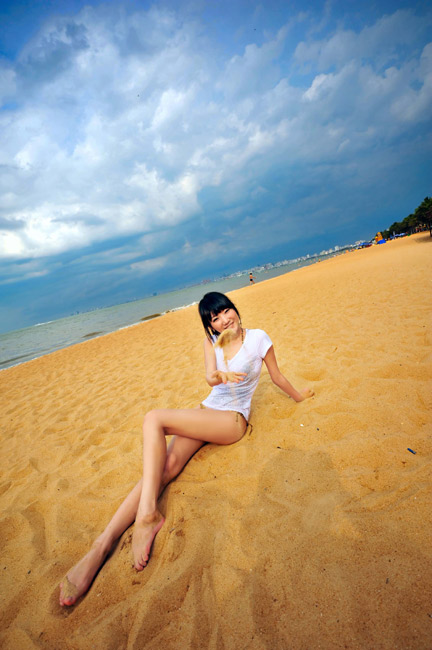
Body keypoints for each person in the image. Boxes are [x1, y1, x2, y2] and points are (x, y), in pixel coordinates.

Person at [59, 292, 314, 606]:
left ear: (235, 309)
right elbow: (209, 378)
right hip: (207, 411)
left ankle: (147, 516)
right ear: (211, 324)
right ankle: (100, 547)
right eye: (215, 318)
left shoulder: (259, 338)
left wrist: (300, 396)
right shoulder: (212, 343)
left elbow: (276, 376)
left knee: (154, 419)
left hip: (232, 419)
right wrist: (219, 376)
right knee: (163, 470)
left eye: (226, 311)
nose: (224, 320)